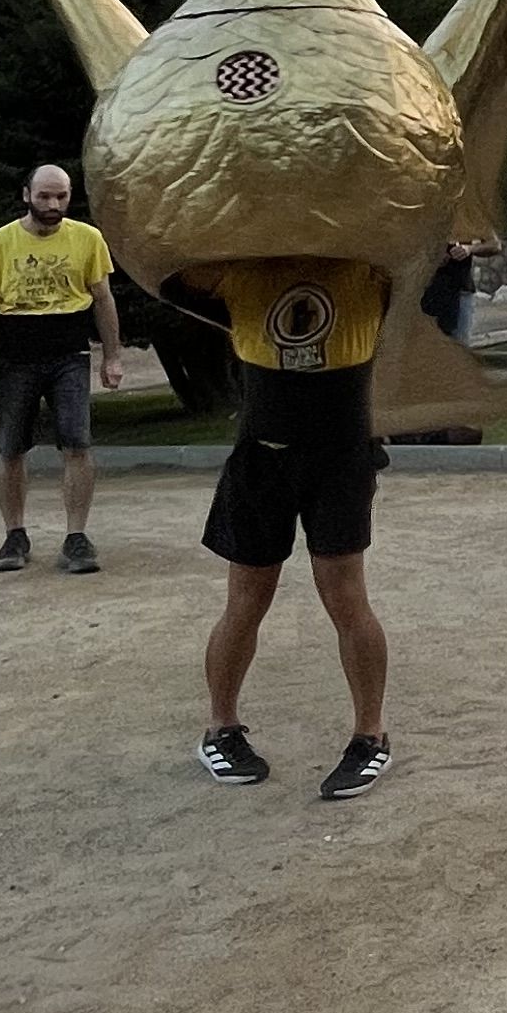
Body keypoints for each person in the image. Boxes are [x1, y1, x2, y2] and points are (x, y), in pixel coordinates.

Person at [192, 255, 393, 800]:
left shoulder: (369, 271)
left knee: (347, 599)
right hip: (261, 461)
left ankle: (370, 736)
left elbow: (431, 236)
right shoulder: (242, 275)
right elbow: (164, 261)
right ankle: (221, 728)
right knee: (246, 600)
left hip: (340, 460)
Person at [0, 164, 125, 571]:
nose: (53, 205)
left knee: (77, 443)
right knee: (11, 447)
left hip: (69, 352)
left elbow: (102, 298)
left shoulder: (88, 239)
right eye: (45, 196)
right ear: (26, 194)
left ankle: (76, 537)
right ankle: (14, 535)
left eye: (61, 196)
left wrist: (112, 355)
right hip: (15, 354)